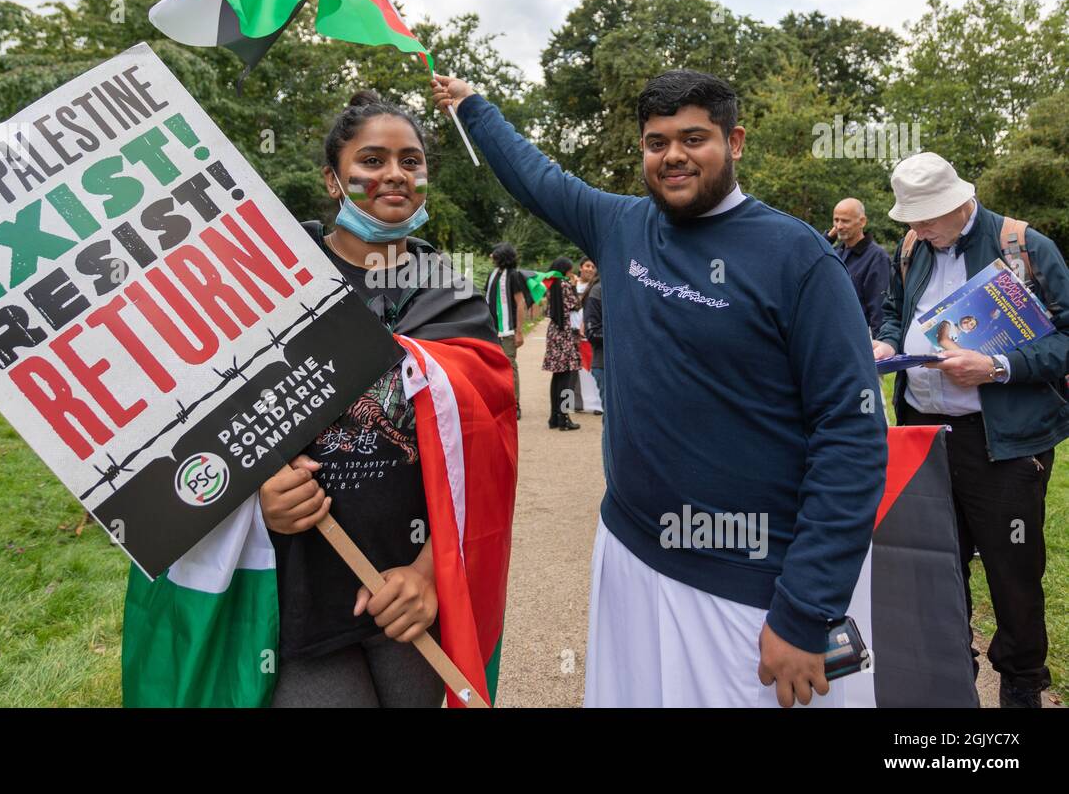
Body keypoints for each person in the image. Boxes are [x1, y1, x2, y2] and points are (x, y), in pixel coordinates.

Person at [433, 69, 886, 708]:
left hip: (750, 587)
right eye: (656, 142)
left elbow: (853, 435)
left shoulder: (800, 258)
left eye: (693, 137)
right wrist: (474, 106)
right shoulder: (621, 225)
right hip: (631, 555)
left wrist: (807, 610)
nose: (672, 155)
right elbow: (535, 177)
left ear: (736, 142)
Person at [256, 91, 517, 707]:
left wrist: (428, 575)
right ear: (332, 178)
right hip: (302, 590)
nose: (394, 175)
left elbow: (483, 456)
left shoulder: (451, 294)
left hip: (412, 594)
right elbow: (212, 419)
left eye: (411, 161)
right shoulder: (273, 284)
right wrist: (259, 491)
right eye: (371, 160)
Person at [872, 151, 1069, 708]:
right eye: (910, 218)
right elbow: (893, 311)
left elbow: (1065, 335)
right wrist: (887, 342)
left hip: (1001, 445)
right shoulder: (912, 248)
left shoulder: (1023, 246)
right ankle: (951, 680)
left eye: (928, 216)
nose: (917, 228)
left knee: (1013, 572)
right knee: (936, 566)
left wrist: (997, 368)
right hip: (926, 439)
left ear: (961, 201)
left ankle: (1022, 686)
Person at [827, 197, 891, 335]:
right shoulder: (836, 252)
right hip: (836, 335)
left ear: (862, 221)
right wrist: (829, 237)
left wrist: (879, 345)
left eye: (845, 221)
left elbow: (879, 309)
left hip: (861, 339)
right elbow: (811, 254)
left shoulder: (877, 257)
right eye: (836, 220)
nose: (838, 226)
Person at [485, 242, 528, 418]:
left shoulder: (514, 276)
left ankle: (514, 403)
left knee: (510, 366)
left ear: (501, 255)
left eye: (494, 253)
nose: (490, 256)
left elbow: (520, 303)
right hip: (491, 330)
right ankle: (497, 401)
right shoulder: (492, 274)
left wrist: (519, 331)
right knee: (492, 367)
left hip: (508, 331)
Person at [543, 256, 582, 430]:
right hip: (565, 333)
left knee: (557, 376)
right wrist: (574, 285)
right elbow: (576, 305)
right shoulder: (566, 285)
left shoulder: (550, 284)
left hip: (554, 332)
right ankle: (564, 418)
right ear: (565, 270)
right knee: (567, 377)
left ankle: (554, 416)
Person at [576, 258, 602, 415]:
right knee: (579, 372)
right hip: (578, 334)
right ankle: (578, 402)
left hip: (590, 333)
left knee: (592, 368)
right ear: (580, 268)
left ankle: (597, 404)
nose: (590, 269)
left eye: (593, 266)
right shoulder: (573, 285)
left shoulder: (598, 287)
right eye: (587, 265)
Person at [583, 268, 604, 410]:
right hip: (604, 365)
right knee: (612, 417)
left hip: (629, 366)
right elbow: (592, 333)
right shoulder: (598, 291)